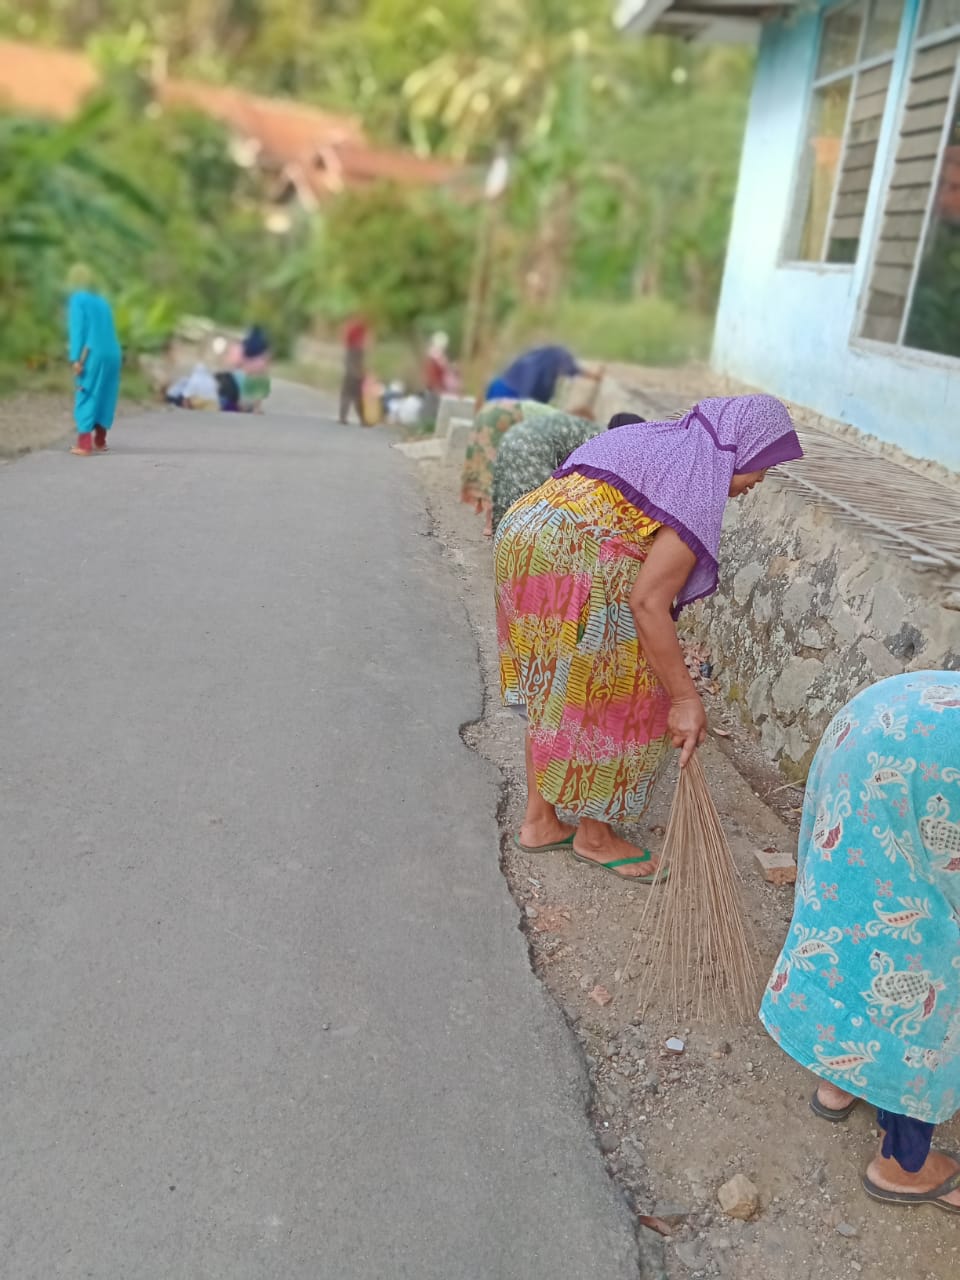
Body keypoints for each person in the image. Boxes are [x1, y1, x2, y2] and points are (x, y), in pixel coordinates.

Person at [494, 395, 802, 878]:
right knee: (623, 692)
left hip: (523, 540)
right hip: (577, 559)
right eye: (763, 464)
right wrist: (684, 698)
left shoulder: (655, 440)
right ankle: (595, 837)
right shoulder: (697, 482)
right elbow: (647, 603)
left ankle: (540, 822)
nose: (761, 479)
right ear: (741, 449)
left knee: (552, 682)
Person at [759, 670, 960, 1213]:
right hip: (929, 761)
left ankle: (840, 1079)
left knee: (852, 909)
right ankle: (903, 1165)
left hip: (877, 718)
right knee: (927, 962)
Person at [491, 410, 646, 533]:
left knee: (512, 494)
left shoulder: (593, 431)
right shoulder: (602, 444)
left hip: (515, 436)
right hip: (532, 446)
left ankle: (502, 534)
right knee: (534, 510)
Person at [460, 400, 555, 536]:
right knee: (496, 469)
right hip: (506, 417)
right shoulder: (569, 432)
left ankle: (493, 521)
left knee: (493, 467)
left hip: (496, 412)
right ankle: (492, 523)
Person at [66, 265, 122, 456]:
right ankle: (100, 440)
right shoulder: (102, 302)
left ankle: (84, 444)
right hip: (113, 352)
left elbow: (78, 329)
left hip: (93, 353)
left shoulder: (78, 299)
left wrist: (76, 359)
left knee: (86, 392)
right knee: (106, 393)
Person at [485, 344, 599, 405]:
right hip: (506, 392)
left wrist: (592, 376)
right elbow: (527, 395)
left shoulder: (546, 358)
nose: (560, 375)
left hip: (502, 388)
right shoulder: (535, 368)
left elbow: (573, 370)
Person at [340, 316, 368, 425]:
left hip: (351, 370)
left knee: (347, 394)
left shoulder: (352, 327)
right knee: (358, 396)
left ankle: (343, 417)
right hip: (355, 371)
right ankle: (362, 420)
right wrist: (360, 373)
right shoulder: (359, 347)